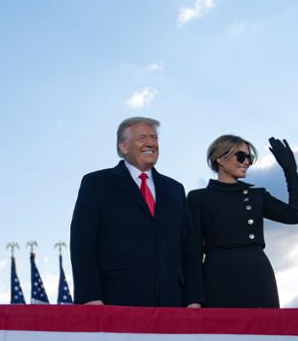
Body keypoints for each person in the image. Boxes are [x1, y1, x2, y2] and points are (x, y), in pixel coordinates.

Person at [70, 117, 203, 307]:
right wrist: (89, 296)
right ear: (123, 146)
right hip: (116, 301)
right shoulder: (97, 184)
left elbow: (189, 248)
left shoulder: (175, 189)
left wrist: (194, 299)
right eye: (142, 138)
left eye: (154, 138)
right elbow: (82, 244)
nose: (150, 143)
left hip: (172, 302)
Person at [187, 135, 298, 308]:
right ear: (221, 158)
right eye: (241, 156)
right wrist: (194, 298)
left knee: (263, 332)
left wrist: (290, 171)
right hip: (217, 277)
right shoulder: (198, 198)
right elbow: (193, 252)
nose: (247, 163)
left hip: (258, 274)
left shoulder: (256, 195)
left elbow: (297, 215)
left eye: (249, 158)